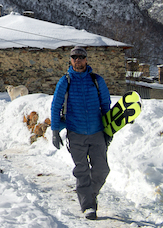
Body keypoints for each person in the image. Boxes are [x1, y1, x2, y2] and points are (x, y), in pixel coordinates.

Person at [50, 46, 112, 220]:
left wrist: (109, 130)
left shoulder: (97, 80)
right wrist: (55, 130)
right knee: (82, 170)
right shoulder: (65, 81)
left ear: (86, 59)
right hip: (75, 132)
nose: (77, 60)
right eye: (74, 57)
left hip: (97, 131)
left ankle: (89, 195)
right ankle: (88, 206)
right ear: (70, 60)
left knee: (102, 169)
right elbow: (56, 106)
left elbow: (106, 106)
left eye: (81, 57)